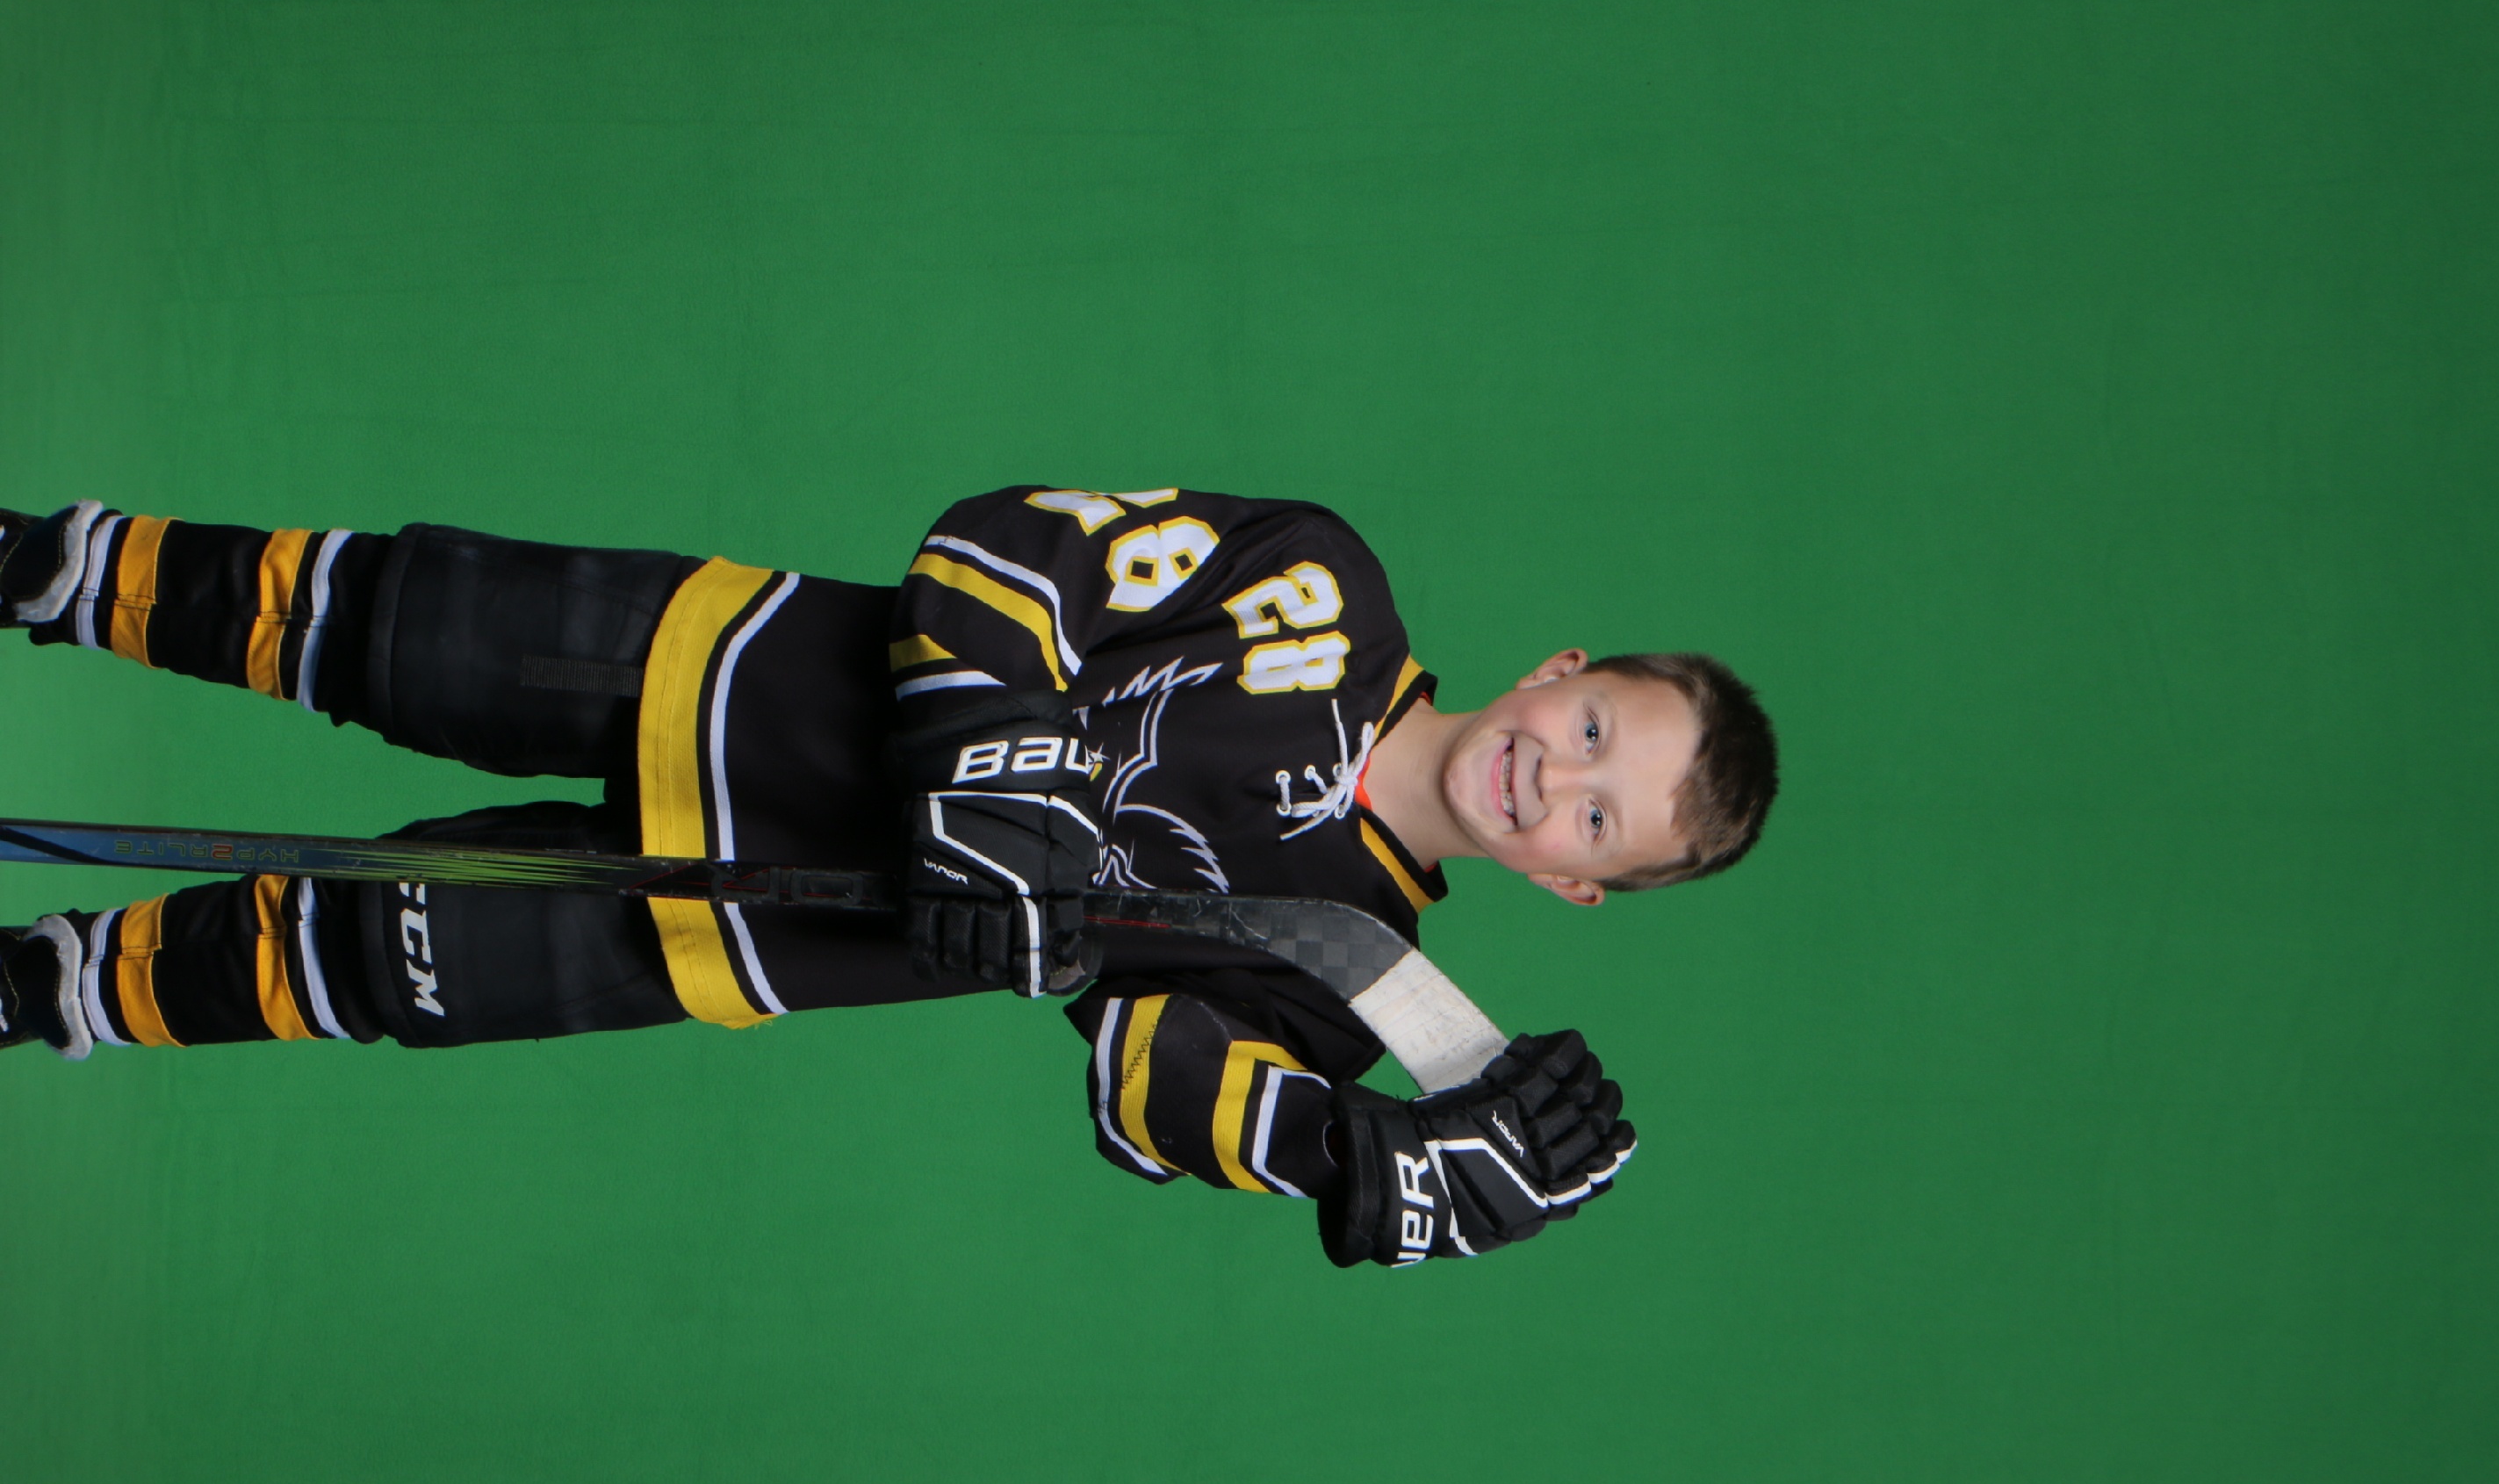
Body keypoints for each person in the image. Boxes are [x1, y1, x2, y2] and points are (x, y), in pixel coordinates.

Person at [0, 489, 1777, 1266]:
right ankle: (44, 567)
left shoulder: (1347, 968)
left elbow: (1151, 1086)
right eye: (1597, 729)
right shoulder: (1316, 587)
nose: (1562, 778)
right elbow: (1008, 555)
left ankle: (37, 987)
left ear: (1576, 889)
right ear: (1559, 672)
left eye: (1600, 821)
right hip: (702, 666)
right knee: (351, 614)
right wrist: (1000, 773)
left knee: (332, 966)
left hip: (727, 925)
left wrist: (1363, 1153)